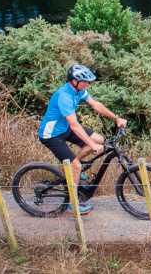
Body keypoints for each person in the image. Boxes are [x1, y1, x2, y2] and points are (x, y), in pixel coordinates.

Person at [37, 64, 127, 215]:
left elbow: (96, 105)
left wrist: (116, 118)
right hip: (51, 135)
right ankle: (73, 204)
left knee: (100, 139)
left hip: (64, 128)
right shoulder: (64, 96)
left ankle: (71, 168)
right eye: (85, 81)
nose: (88, 84)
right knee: (79, 165)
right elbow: (75, 125)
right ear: (74, 81)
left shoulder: (79, 90)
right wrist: (91, 144)